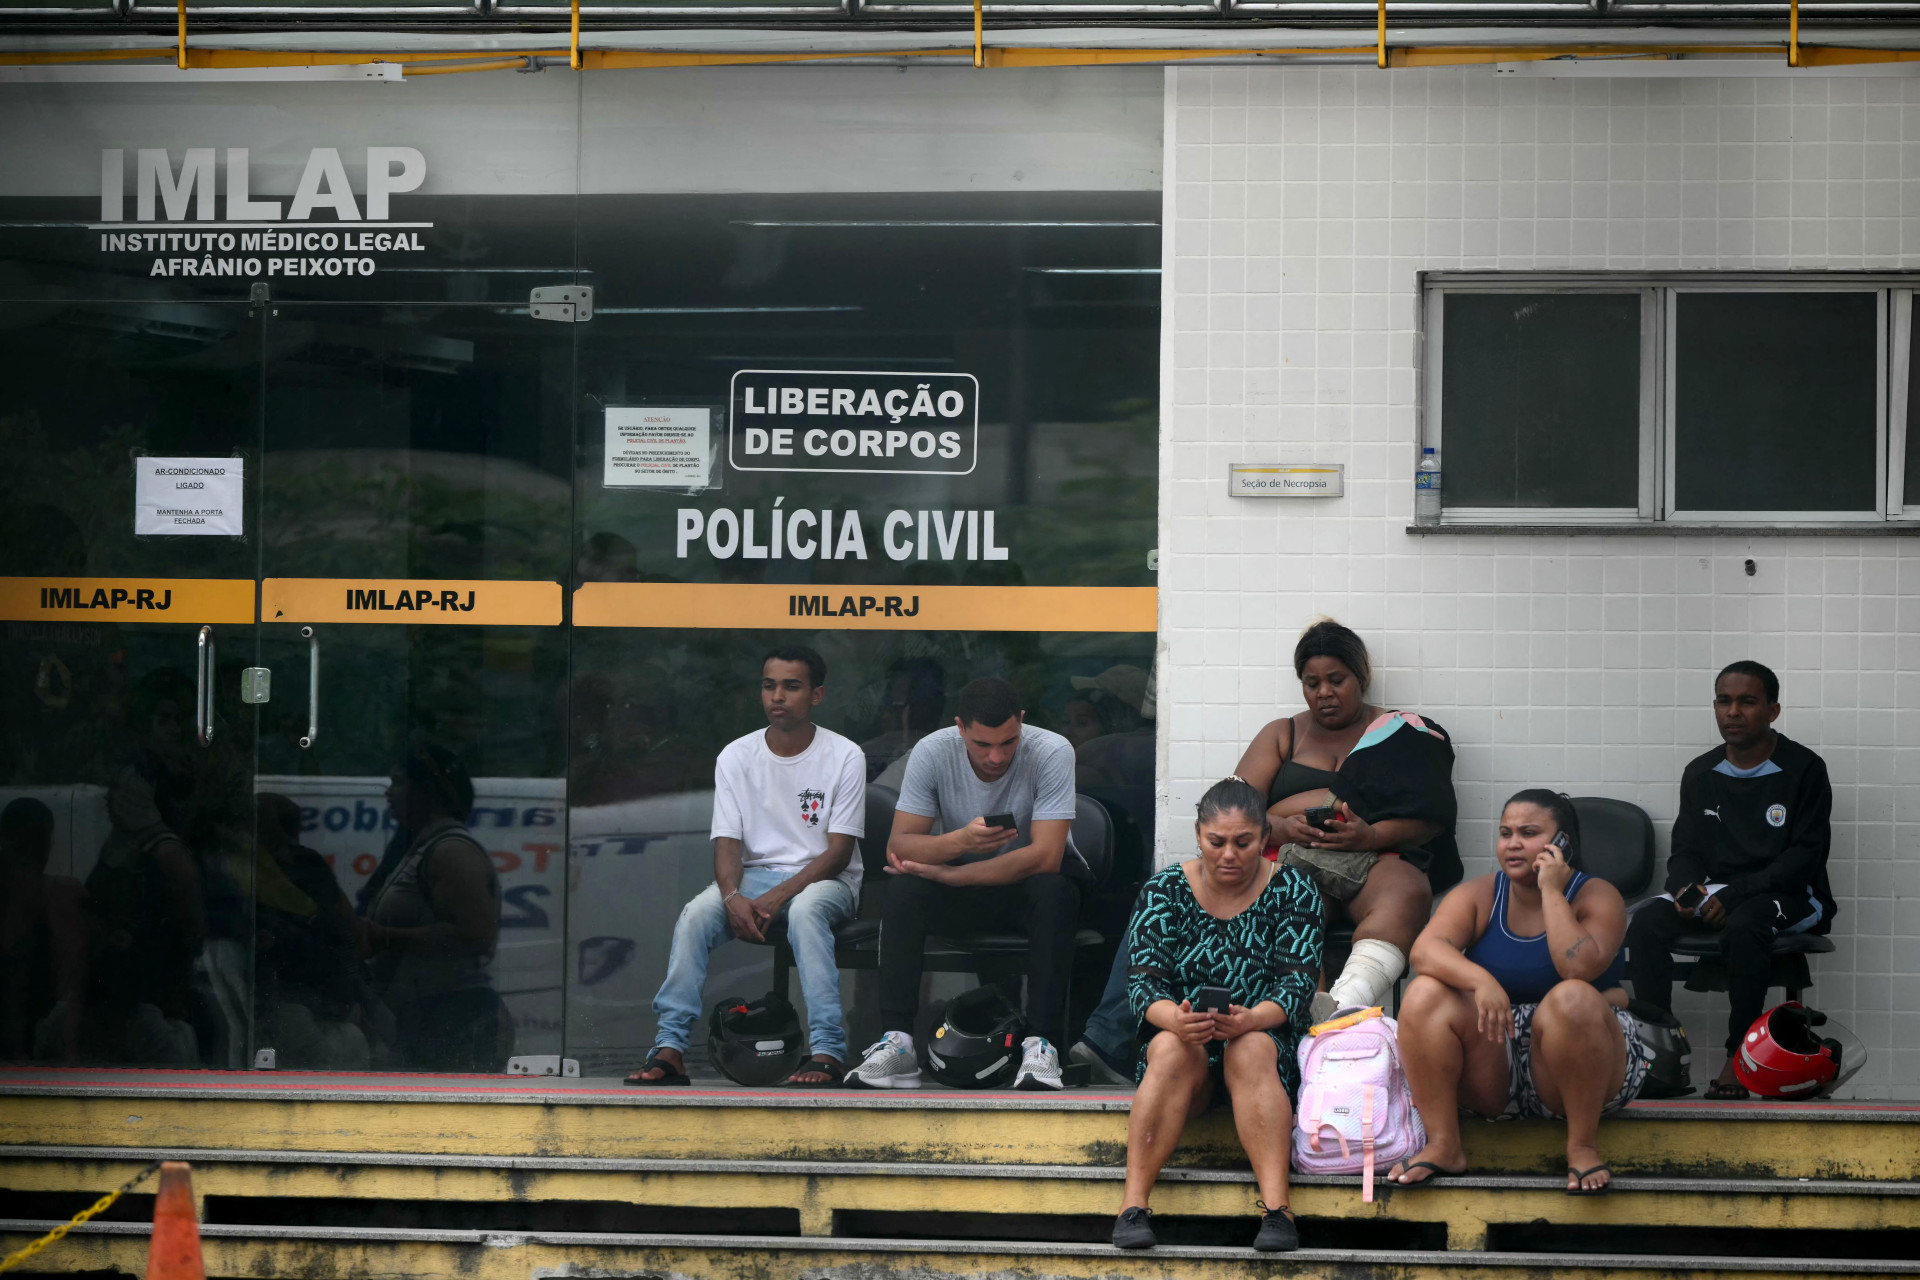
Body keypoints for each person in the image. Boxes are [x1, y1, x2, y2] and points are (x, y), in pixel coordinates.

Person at [626, 645, 864, 1087]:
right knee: (696, 915)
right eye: (769, 685)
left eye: (791, 686)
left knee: (806, 912)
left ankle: (828, 1051)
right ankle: (670, 1048)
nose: (778, 696)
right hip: (753, 879)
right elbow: (727, 845)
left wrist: (777, 896)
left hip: (825, 879)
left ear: (816, 695)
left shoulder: (845, 755)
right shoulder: (736, 755)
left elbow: (838, 853)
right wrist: (732, 897)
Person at [1392, 791, 1647, 1195]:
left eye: (1528, 833)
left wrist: (1552, 892)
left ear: (1562, 843)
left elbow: (1576, 969)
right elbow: (1424, 951)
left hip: (1583, 1059)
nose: (1512, 844)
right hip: (1498, 1055)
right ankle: (1444, 1144)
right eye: (1505, 833)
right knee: (1424, 992)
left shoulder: (1598, 895)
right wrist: (1481, 981)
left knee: (1572, 996)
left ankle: (1582, 1146)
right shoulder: (1481, 894)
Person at [1110, 777, 1322, 1253]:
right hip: (1185, 1049)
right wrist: (1176, 1019)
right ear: (1197, 835)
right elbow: (1143, 983)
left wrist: (1251, 1019)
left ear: (1264, 838)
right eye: (1216, 841)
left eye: (1243, 843)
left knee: (1250, 1047)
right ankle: (1132, 1206)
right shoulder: (1164, 889)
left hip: (1264, 1046)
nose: (1229, 855)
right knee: (1171, 1046)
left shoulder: (1294, 888)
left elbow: (1297, 985)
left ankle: (1278, 1211)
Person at [848, 677, 1082, 1091]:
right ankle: (898, 1043)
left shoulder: (1051, 750)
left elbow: (1046, 856)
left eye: (1008, 742)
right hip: (960, 890)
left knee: (1055, 891)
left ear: (1021, 721)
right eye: (982, 744)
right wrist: (960, 842)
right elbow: (899, 846)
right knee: (903, 890)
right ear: (960, 728)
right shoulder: (933, 750)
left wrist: (951, 873)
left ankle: (1041, 1045)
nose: (996, 756)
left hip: (1023, 889)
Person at [1625, 661, 1835, 1101]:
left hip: (1791, 894)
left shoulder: (1804, 768)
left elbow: (1805, 857)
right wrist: (1686, 890)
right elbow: (1686, 850)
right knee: (1645, 923)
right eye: (1724, 701)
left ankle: (1738, 1057)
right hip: (1721, 894)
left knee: (1746, 924)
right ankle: (1658, 1054)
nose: (1733, 712)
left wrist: (1738, 894)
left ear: (1773, 711)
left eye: (1747, 702)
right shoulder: (1701, 772)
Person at [1235, 620, 1458, 1022]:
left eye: (1336, 680)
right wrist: (1282, 827)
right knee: (1286, 901)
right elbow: (1233, 812)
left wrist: (1370, 835)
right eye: (1312, 683)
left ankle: (1344, 1005)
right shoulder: (1282, 734)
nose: (1324, 693)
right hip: (1293, 859)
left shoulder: (1402, 732)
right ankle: (1307, 1014)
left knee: (1408, 889)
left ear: (1361, 677)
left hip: (1376, 858)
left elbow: (1429, 817)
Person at [359, 736, 512, 1072]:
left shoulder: (450, 851)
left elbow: (474, 934)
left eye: (399, 782)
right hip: (425, 1015)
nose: (388, 793)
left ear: (427, 790)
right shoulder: (420, 847)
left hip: (453, 1018)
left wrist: (384, 936)